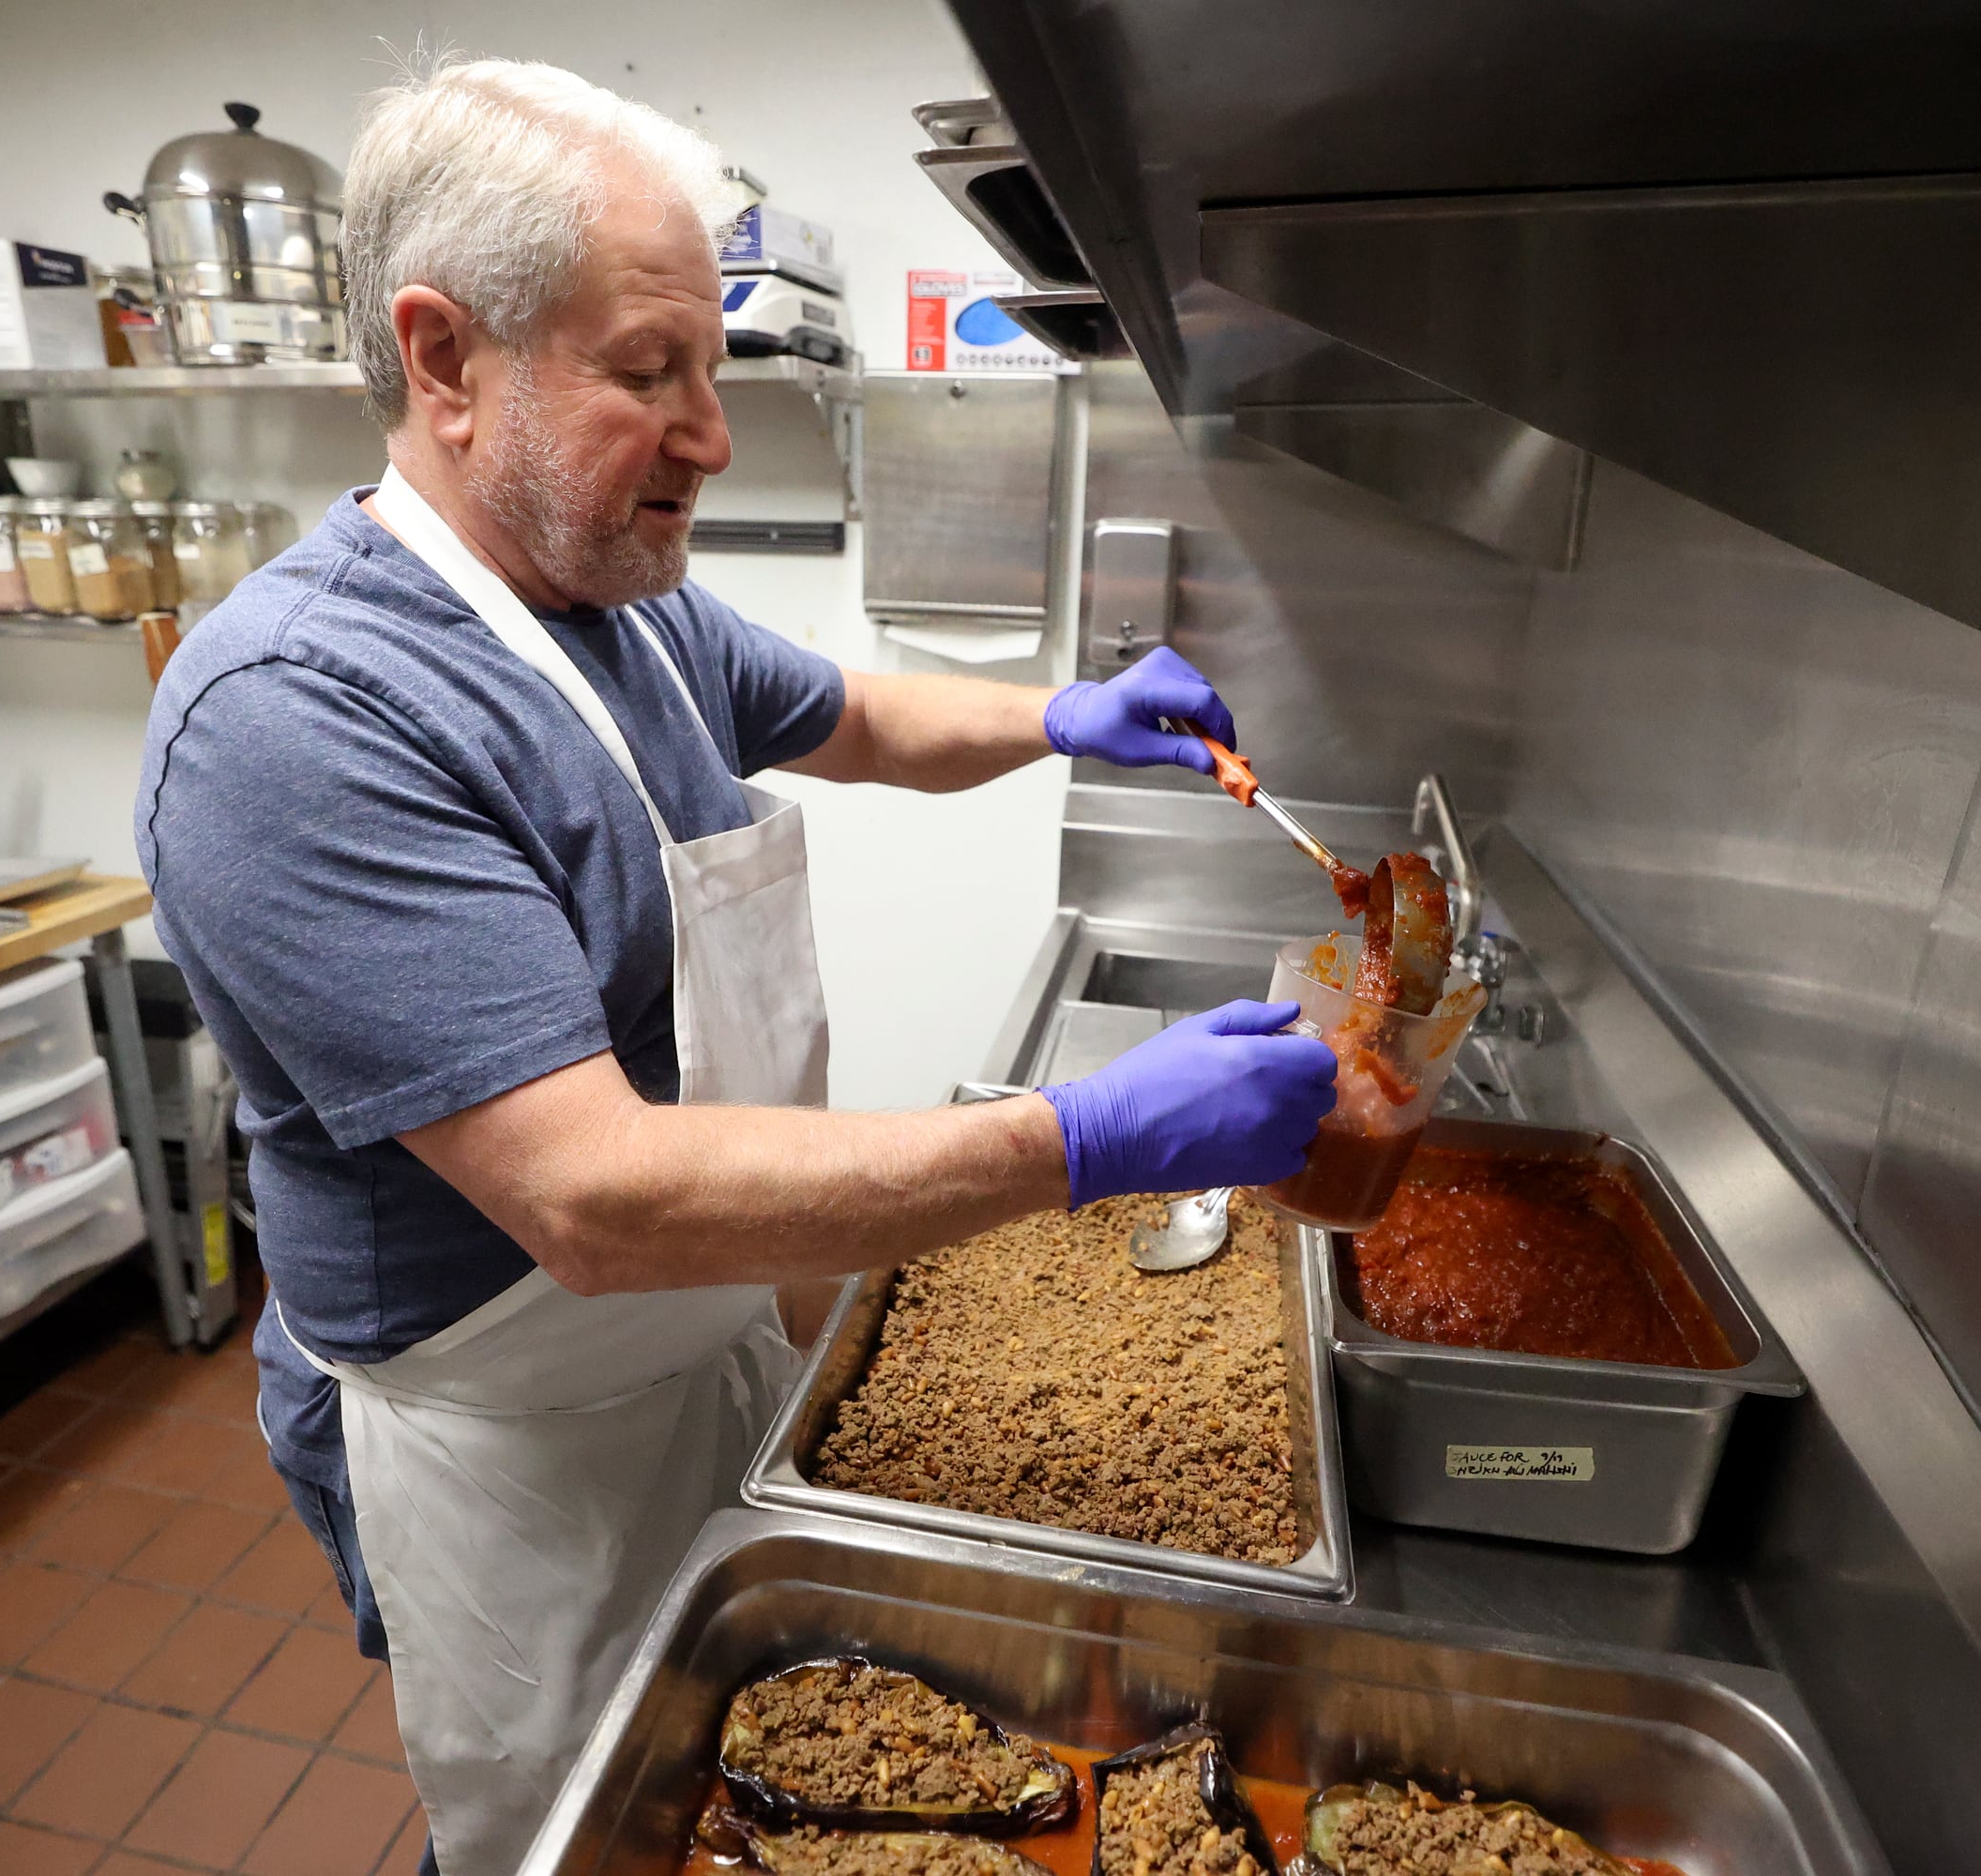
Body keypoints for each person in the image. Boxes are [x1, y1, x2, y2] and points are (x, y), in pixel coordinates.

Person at [135, 56, 1338, 1876]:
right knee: (591, 1821)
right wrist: (1077, 1139)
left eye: (713, 365)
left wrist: (1074, 715)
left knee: (770, 1790)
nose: (712, 432)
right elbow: (598, 1198)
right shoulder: (300, 719)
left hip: (711, 1336)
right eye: (651, 373)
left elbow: (861, 717)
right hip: (517, 1444)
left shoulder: (627, 602)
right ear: (447, 360)